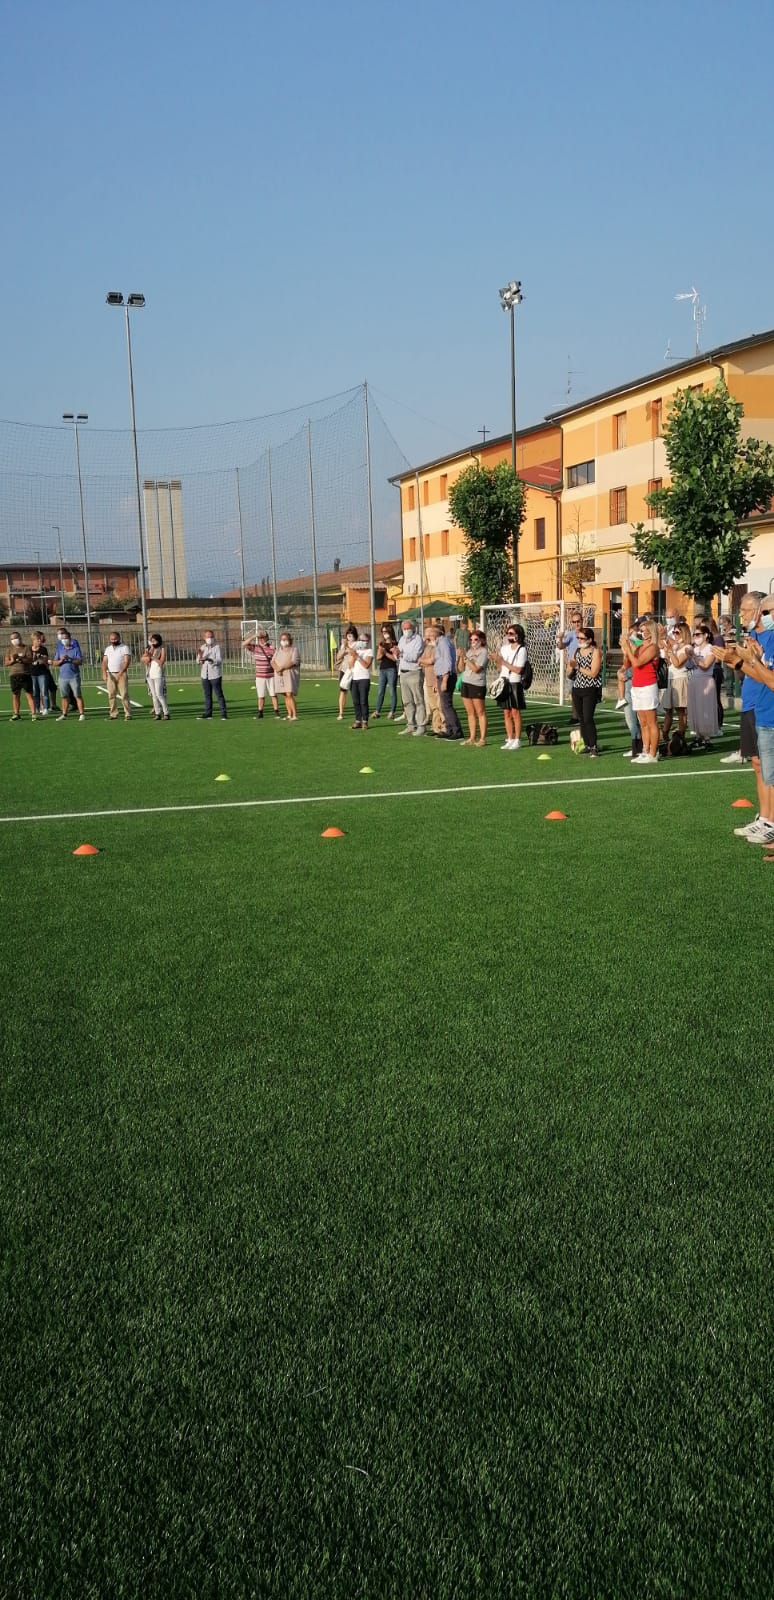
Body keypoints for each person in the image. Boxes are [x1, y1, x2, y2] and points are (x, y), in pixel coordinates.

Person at [713, 592, 773, 844]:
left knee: (769, 771)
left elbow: (766, 677)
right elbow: (752, 673)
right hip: (755, 707)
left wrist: (740, 662)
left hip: (766, 709)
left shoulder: (770, 637)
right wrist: (736, 662)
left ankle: (769, 822)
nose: (742, 615)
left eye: (747, 610)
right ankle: (765, 818)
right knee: (760, 767)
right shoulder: (754, 637)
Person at [620, 619, 659, 762]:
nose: (640, 633)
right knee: (642, 722)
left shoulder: (653, 647)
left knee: (651, 721)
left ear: (650, 632)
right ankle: (645, 750)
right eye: (640, 631)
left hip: (648, 685)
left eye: (643, 631)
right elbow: (628, 663)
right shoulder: (639, 646)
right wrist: (626, 650)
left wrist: (628, 649)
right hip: (637, 685)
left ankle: (653, 754)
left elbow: (638, 662)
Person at [570, 627, 603, 757]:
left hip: (590, 688)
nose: (579, 640)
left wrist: (577, 667)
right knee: (582, 719)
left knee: (588, 718)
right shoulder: (577, 651)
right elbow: (570, 669)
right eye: (578, 638)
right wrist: (570, 668)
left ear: (589, 639)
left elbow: (593, 673)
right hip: (577, 688)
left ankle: (594, 746)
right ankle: (587, 744)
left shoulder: (595, 652)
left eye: (582, 638)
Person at [496, 622, 528, 750]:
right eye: (507, 633)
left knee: (515, 711)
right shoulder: (504, 648)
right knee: (506, 712)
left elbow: (518, 670)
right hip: (504, 681)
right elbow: (500, 668)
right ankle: (509, 738)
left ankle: (517, 739)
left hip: (515, 682)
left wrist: (503, 661)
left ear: (518, 635)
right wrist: (498, 661)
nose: (508, 636)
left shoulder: (522, 649)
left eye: (511, 633)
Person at [687, 622, 719, 743]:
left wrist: (694, 656)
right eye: (694, 635)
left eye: (698, 634)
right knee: (695, 708)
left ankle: (707, 737)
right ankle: (698, 735)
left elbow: (705, 665)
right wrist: (689, 657)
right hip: (694, 679)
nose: (695, 637)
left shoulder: (710, 648)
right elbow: (690, 666)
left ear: (706, 635)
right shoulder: (694, 649)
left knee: (704, 709)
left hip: (705, 680)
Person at [660, 623, 691, 745]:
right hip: (670, 678)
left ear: (684, 633)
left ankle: (681, 735)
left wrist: (670, 651)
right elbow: (671, 663)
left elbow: (678, 663)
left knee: (680, 710)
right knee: (668, 709)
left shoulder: (687, 647)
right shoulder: (676, 647)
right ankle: (665, 734)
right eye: (674, 632)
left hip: (680, 679)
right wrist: (668, 651)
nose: (675, 635)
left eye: (677, 632)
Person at [432, 625, 463, 740]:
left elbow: (448, 661)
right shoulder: (441, 643)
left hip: (447, 676)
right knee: (444, 705)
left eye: (431, 633)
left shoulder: (444, 643)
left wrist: (445, 679)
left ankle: (456, 730)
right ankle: (450, 729)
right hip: (443, 676)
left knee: (447, 705)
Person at [396, 619, 426, 736]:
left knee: (418, 700)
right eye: (404, 628)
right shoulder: (402, 640)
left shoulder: (418, 639)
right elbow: (399, 656)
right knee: (407, 701)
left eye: (408, 628)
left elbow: (414, 656)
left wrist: (401, 654)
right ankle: (410, 724)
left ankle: (421, 725)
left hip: (414, 671)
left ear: (413, 629)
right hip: (403, 672)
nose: (406, 630)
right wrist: (396, 653)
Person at [460, 629, 488, 745]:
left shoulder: (483, 652)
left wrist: (466, 659)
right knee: (470, 712)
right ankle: (472, 737)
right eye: (471, 639)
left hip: (477, 683)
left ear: (482, 640)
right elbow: (461, 668)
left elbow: (476, 669)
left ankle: (482, 738)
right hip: (466, 682)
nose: (473, 642)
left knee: (480, 711)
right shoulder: (469, 651)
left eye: (476, 639)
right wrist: (461, 657)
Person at [242, 629, 279, 718]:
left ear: (267, 638)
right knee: (261, 695)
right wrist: (254, 636)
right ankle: (260, 712)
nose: (262, 639)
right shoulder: (256, 647)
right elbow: (244, 644)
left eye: (263, 637)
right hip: (260, 676)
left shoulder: (272, 648)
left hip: (271, 676)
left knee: (273, 694)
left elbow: (277, 659)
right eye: (260, 638)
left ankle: (276, 711)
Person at [52, 628, 86, 721]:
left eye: (66, 638)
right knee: (64, 696)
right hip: (63, 677)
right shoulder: (60, 649)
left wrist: (70, 659)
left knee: (77, 695)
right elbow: (54, 663)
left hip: (74, 676)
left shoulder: (75, 649)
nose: (64, 640)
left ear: (70, 639)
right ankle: (64, 714)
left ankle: (82, 713)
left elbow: (80, 661)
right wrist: (61, 660)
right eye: (62, 639)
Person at [4, 631, 36, 720]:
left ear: (20, 638)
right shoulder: (9, 650)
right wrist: (12, 660)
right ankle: (16, 714)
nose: (14, 640)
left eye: (16, 638)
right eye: (12, 639)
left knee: (29, 694)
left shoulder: (27, 648)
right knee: (15, 695)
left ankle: (34, 714)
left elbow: (30, 660)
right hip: (14, 675)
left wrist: (21, 659)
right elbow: (6, 663)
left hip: (25, 674)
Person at [102, 630, 132, 720]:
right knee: (111, 695)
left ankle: (128, 714)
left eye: (115, 639)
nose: (113, 641)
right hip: (110, 674)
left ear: (118, 638)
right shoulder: (108, 649)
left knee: (124, 694)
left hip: (121, 674)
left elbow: (127, 661)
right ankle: (113, 714)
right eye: (112, 639)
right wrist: (104, 672)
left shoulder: (124, 648)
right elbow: (104, 661)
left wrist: (121, 672)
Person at [197, 630, 227, 719]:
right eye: (208, 637)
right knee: (207, 694)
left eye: (211, 637)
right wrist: (200, 657)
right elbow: (198, 661)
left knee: (219, 694)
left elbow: (219, 660)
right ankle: (208, 713)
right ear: (204, 638)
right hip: (204, 675)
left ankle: (223, 713)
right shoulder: (202, 647)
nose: (209, 639)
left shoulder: (217, 647)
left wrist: (211, 660)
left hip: (215, 674)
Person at [347, 629, 373, 729]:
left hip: (364, 678)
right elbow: (350, 665)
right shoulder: (356, 650)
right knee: (355, 701)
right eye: (361, 640)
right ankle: (358, 720)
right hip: (354, 678)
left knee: (363, 700)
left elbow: (366, 665)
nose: (362, 642)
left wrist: (357, 657)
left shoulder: (369, 651)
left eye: (365, 640)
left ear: (368, 641)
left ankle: (365, 721)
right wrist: (352, 656)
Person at [372, 625, 399, 719]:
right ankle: (377, 711)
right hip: (383, 669)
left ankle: (392, 711)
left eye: (386, 632)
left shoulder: (395, 644)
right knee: (380, 691)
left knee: (392, 691)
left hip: (391, 669)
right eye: (383, 632)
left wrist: (386, 653)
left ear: (390, 632)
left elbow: (395, 659)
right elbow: (378, 658)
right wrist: (380, 650)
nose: (384, 634)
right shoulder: (381, 644)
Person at [273, 632, 300, 720]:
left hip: (289, 674)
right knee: (285, 694)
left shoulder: (294, 650)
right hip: (280, 675)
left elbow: (294, 661)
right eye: (282, 639)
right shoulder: (278, 650)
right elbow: (272, 661)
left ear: (289, 640)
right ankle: (289, 714)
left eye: (285, 639)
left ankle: (294, 715)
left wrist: (282, 668)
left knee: (289, 693)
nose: (283, 641)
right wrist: (277, 669)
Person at [142, 633, 169, 720]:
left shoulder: (162, 649)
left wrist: (152, 657)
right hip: (150, 674)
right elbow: (144, 660)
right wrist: (146, 656)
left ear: (158, 641)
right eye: (151, 641)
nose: (152, 643)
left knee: (159, 694)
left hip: (158, 674)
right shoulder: (151, 649)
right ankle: (157, 713)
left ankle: (166, 713)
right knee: (153, 695)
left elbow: (161, 662)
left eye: (154, 641)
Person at [336, 626, 358, 721]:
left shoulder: (357, 644)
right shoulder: (344, 645)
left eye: (351, 633)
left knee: (355, 692)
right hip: (344, 669)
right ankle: (341, 712)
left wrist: (347, 647)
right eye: (348, 633)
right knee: (343, 691)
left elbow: (354, 653)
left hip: (354, 670)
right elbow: (338, 657)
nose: (349, 635)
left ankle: (358, 711)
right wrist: (344, 647)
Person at [30, 632, 51, 715]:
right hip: (32, 673)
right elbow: (28, 659)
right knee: (35, 692)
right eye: (37, 639)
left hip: (42, 672)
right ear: (33, 640)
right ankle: (37, 708)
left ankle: (45, 708)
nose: (39, 641)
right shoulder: (29, 649)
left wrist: (41, 657)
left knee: (44, 691)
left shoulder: (43, 649)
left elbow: (45, 659)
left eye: (40, 639)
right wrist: (33, 657)